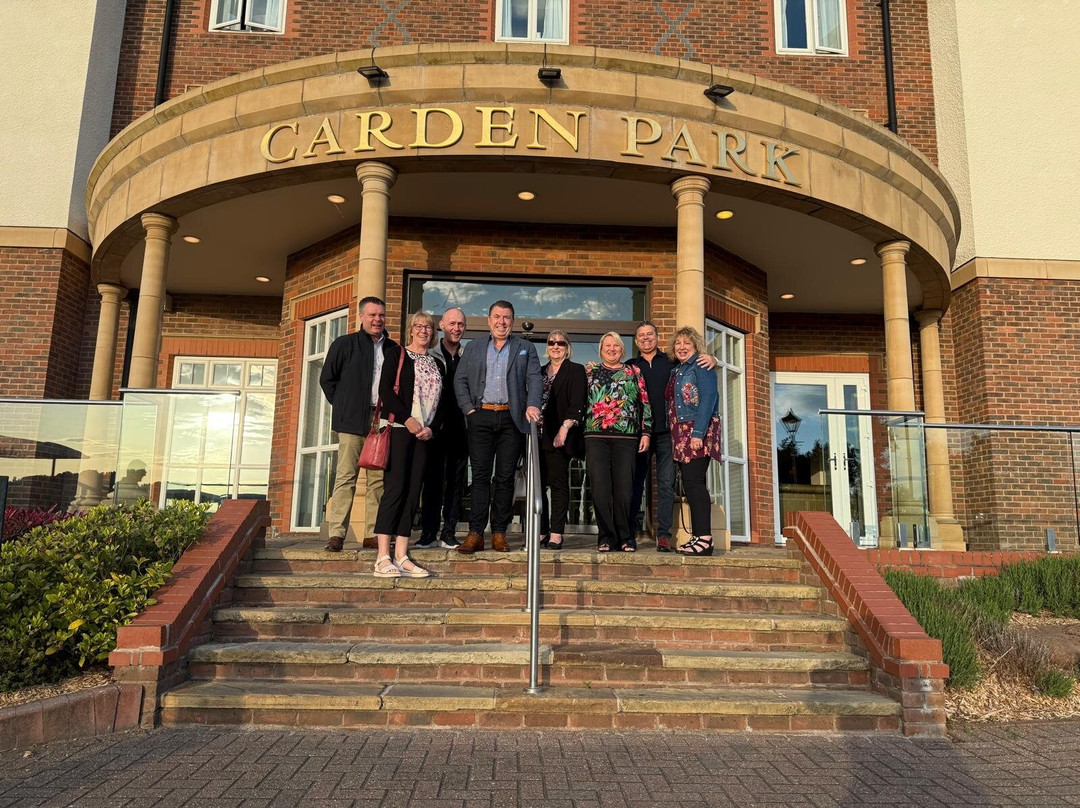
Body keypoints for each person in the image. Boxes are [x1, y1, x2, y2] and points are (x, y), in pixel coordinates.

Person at [453, 300, 542, 553]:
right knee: (480, 477)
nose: (501, 322)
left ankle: (499, 533)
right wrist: (469, 410)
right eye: (497, 316)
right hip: (480, 416)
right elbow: (460, 380)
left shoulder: (525, 348)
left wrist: (532, 404)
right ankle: (475, 533)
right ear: (489, 319)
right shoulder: (474, 347)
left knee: (505, 478)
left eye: (506, 317)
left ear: (512, 321)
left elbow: (534, 378)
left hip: (511, 419)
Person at [627, 321, 716, 552]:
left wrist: (713, 359)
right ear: (636, 341)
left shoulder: (672, 362)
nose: (646, 338)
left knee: (666, 484)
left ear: (657, 337)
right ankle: (629, 534)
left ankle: (664, 535)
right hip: (640, 434)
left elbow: (700, 370)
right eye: (641, 335)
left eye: (650, 334)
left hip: (668, 434)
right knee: (635, 483)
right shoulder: (630, 366)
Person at [319, 296, 395, 552]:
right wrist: (344, 405)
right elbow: (327, 380)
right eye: (372, 315)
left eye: (381, 315)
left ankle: (372, 534)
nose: (377, 320)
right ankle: (337, 534)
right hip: (351, 422)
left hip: (380, 421)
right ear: (361, 316)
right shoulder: (344, 344)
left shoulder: (393, 349)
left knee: (377, 481)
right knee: (346, 478)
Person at [371, 311, 443, 577]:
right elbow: (385, 392)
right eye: (419, 326)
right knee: (395, 489)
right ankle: (382, 556)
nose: (424, 330)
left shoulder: (437, 363)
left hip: (424, 435)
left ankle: (401, 554)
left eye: (429, 327)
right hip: (400, 430)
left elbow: (443, 403)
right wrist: (408, 419)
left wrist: (432, 428)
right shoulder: (397, 354)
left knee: (413, 493)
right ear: (411, 330)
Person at [584, 332, 651, 552]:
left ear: (622, 349)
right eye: (607, 345)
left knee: (625, 490)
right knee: (600, 489)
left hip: (627, 437)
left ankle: (626, 537)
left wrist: (646, 432)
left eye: (616, 346)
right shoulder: (590, 371)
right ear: (601, 349)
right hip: (596, 436)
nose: (612, 349)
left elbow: (645, 403)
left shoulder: (634, 371)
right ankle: (605, 537)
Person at [668, 326, 723, 556]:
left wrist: (698, 433)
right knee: (690, 484)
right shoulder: (677, 370)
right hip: (681, 433)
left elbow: (709, 398)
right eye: (678, 343)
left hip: (696, 430)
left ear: (696, 346)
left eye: (687, 343)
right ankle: (698, 537)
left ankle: (705, 539)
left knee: (694, 482)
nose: (682, 347)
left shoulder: (701, 365)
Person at [416, 307, 467, 549]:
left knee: (456, 482)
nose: (456, 328)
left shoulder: (469, 356)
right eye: (452, 324)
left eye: (460, 324)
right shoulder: (431, 356)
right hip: (434, 427)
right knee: (432, 479)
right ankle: (428, 532)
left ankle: (449, 532)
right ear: (442, 326)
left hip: (461, 428)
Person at [538, 329, 587, 551]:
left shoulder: (575, 370)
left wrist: (564, 428)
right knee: (537, 486)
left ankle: (556, 533)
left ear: (567, 347)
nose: (556, 346)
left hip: (558, 435)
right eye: (552, 343)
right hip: (536, 435)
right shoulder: (539, 372)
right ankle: (542, 531)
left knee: (557, 484)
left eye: (561, 343)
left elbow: (577, 402)